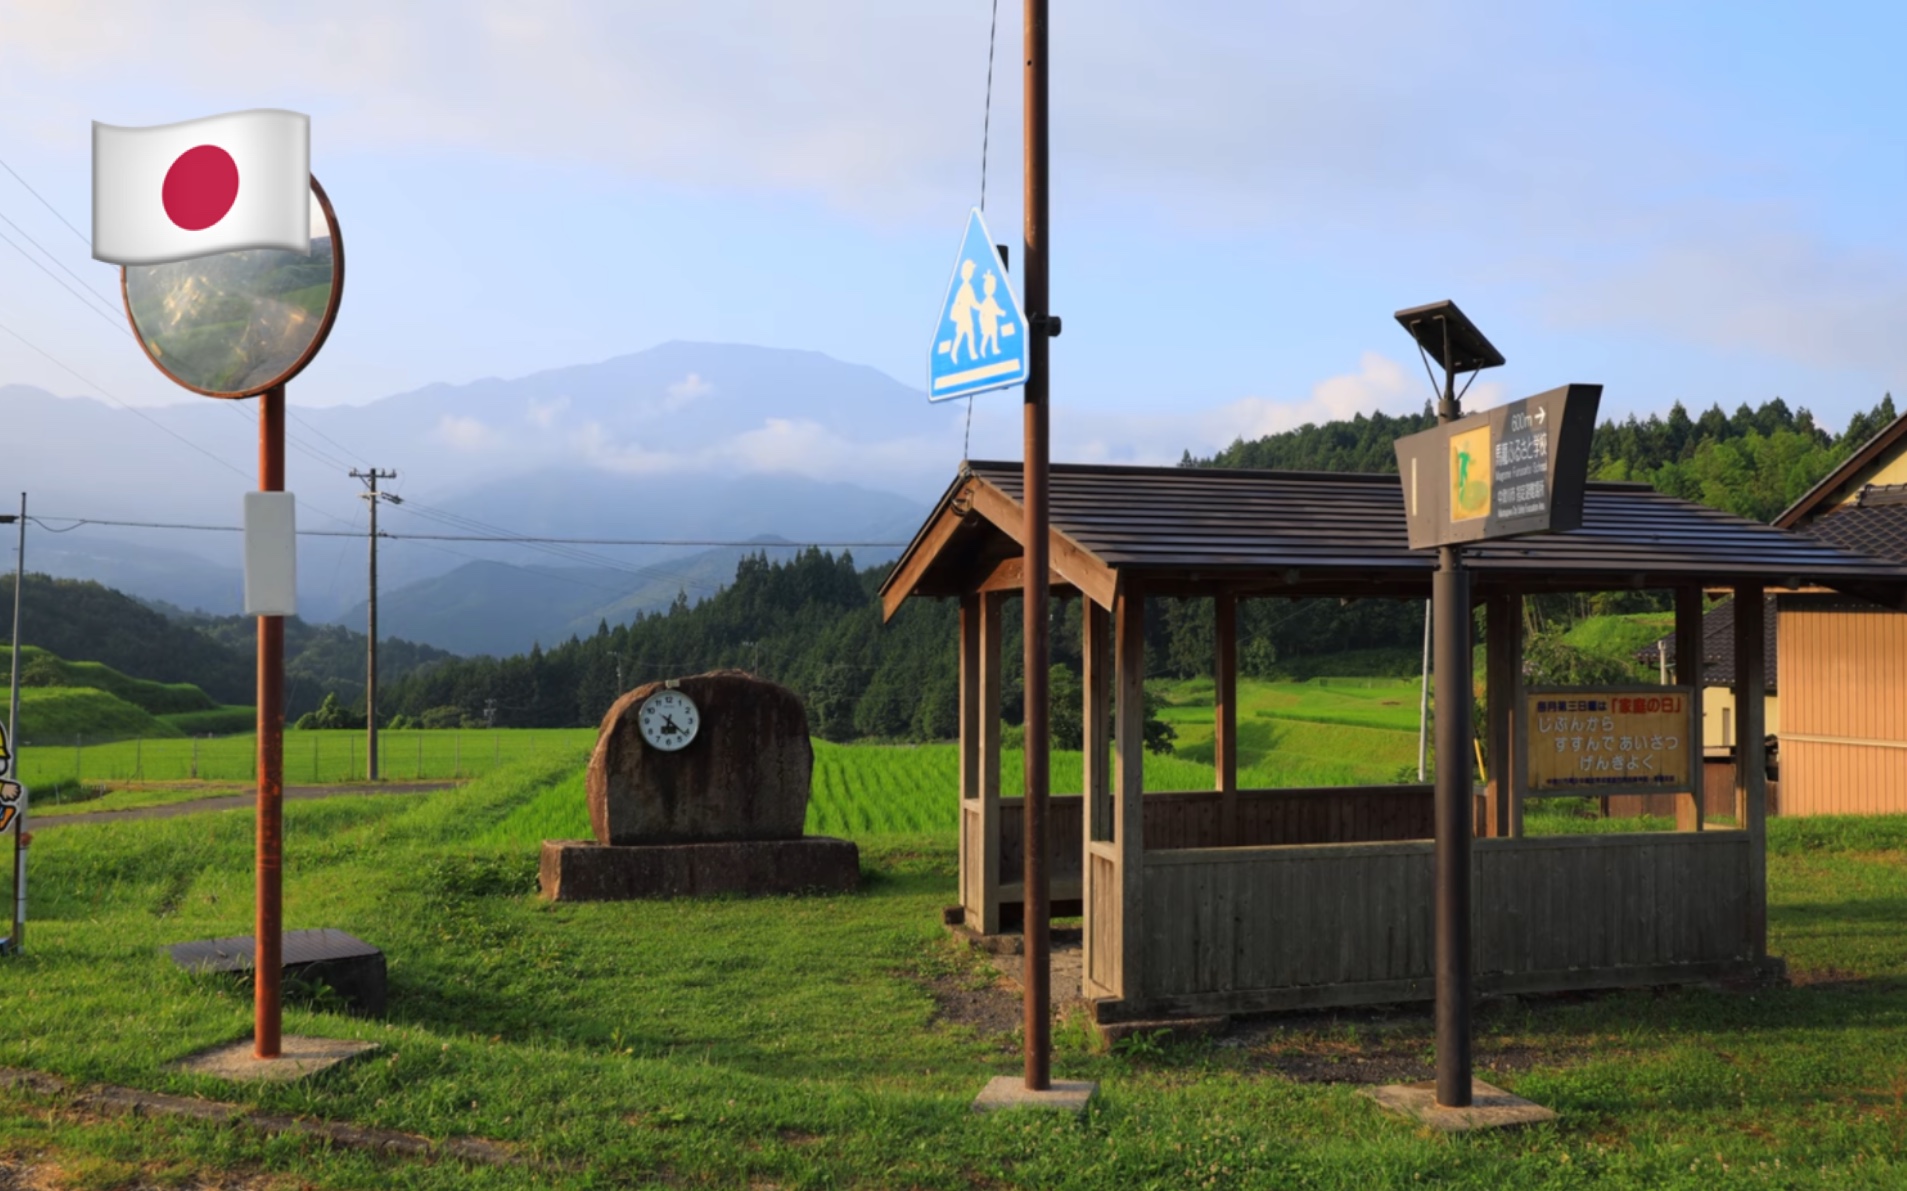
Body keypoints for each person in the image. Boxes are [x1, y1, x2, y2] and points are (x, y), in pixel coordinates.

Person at [948, 259, 980, 363]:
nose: (972, 273)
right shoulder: (966, 288)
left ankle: (969, 354)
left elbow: (972, 303)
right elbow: (973, 303)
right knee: (966, 335)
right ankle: (969, 354)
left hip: (965, 316)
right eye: (971, 271)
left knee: (966, 335)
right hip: (964, 316)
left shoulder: (964, 287)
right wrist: (982, 307)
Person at [976, 270, 1008, 358]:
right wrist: (1001, 313)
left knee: (994, 335)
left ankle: (994, 348)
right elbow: (991, 311)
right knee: (987, 336)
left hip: (992, 322)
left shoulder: (991, 300)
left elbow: (996, 309)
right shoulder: (987, 301)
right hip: (988, 323)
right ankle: (982, 349)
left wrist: (1001, 312)